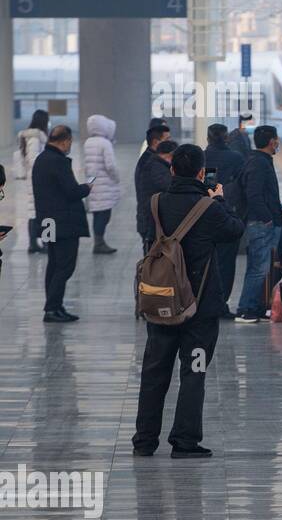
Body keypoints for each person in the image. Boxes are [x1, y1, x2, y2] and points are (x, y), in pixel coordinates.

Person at [131, 144, 245, 459]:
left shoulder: (156, 203)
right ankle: (185, 441)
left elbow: (147, 234)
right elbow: (235, 231)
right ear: (200, 172)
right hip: (199, 308)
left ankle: (144, 440)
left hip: (161, 302)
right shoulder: (209, 208)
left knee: (154, 372)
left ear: (171, 170)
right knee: (193, 371)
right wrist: (220, 199)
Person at [31, 124, 92, 322]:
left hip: (47, 220)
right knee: (65, 266)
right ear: (65, 141)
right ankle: (52, 308)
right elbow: (72, 191)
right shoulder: (58, 161)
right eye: (70, 143)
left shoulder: (41, 159)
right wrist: (87, 187)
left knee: (54, 263)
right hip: (63, 222)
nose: (69, 147)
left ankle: (54, 306)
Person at [234, 125, 282, 323]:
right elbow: (253, 194)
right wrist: (267, 218)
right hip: (261, 224)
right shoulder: (258, 163)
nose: (278, 142)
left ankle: (255, 307)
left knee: (261, 267)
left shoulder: (259, 160)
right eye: (277, 139)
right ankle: (245, 309)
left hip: (264, 222)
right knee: (258, 268)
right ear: (272, 141)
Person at [203, 123, 247, 319]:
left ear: (208, 138)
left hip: (205, 215)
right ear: (227, 138)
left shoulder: (204, 157)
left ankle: (206, 303)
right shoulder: (236, 158)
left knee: (206, 262)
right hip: (229, 214)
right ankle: (221, 303)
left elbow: (208, 184)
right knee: (227, 263)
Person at [82, 114, 122, 255]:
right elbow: (110, 166)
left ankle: (98, 241)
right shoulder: (105, 143)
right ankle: (99, 243)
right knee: (104, 214)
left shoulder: (88, 142)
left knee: (97, 214)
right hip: (105, 184)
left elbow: (89, 166)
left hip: (93, 182)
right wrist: (117, 178)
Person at [13, 109, 49, 253]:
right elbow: (33, 160)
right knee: (45, 212)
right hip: (40, 179)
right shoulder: (35, 139)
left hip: (35, 178)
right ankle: (44, 243)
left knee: (34, 211)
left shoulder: (31, 137)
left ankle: (34, 244)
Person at [134, 124, 173, 256]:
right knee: (152, 267)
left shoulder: (152, 159)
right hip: (150, 222)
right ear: (156, 142)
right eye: (167, 139)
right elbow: (167, 185)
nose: (170, 142)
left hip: (151, 220)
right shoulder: (151, 164)